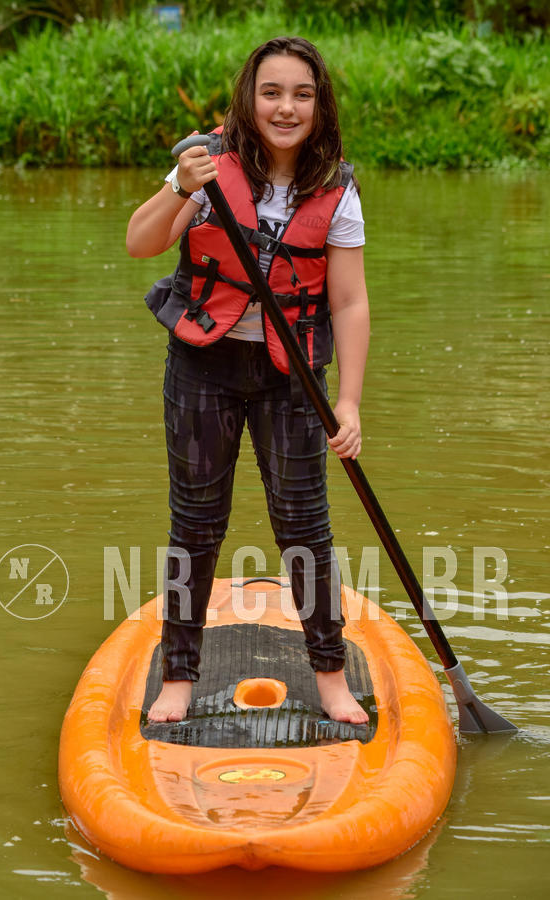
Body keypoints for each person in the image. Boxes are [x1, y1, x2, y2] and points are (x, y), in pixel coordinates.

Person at [126, 36, 370, 725]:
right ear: (248, 98)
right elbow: (140, 242)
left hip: (292, 376)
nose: (285, 107)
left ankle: (329, 675)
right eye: (271, 92)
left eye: (301, 93)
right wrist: (181, 185)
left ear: (319, 104)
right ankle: (179, 675)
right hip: (203, 368)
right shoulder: (206, 168)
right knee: (196, 525)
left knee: (305, 528)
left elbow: (350, 303)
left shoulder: (337, 188)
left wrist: (347, 401)